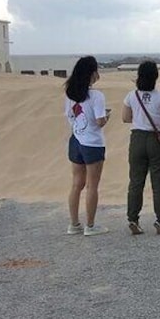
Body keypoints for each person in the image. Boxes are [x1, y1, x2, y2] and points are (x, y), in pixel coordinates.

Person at [122, 61, 160, 235]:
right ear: (156, 76)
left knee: (136, 182)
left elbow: (125, 118)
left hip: (137, 138)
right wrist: (158, 117)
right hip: (156, 139)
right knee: (159, 183)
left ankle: (133, 219)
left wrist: (140, 117)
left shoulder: (131, 96)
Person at [64, 56, 110, 236]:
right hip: (92, 143)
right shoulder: (96, 96)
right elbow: (99, 121)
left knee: (76, 184)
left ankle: (74, 224)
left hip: (76, 140)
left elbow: (69, 117)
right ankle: (90, 225)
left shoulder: (69, 93)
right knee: (92, 185)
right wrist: (107, 117)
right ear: (91, 73)